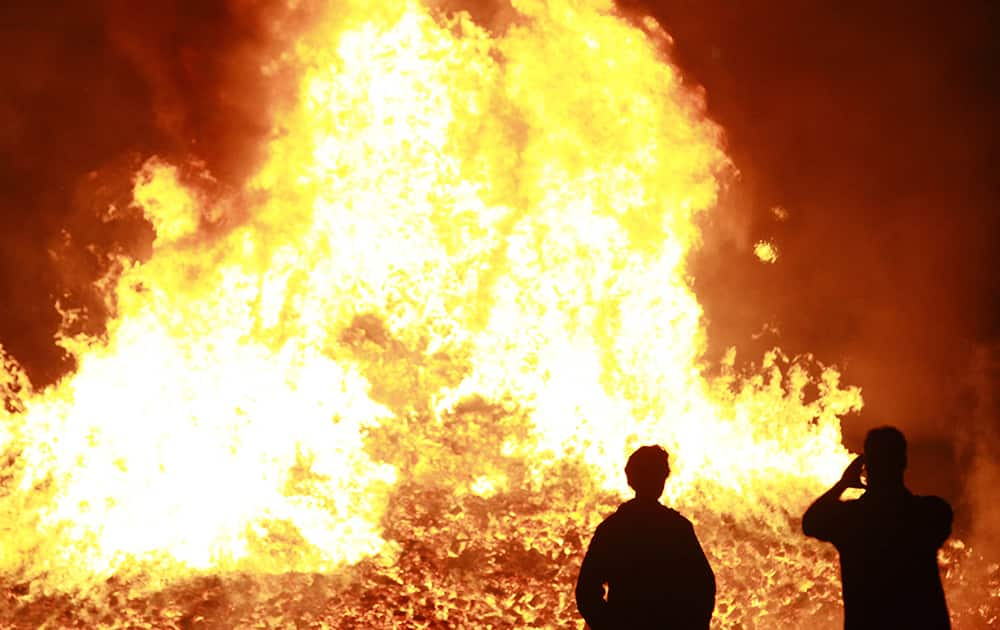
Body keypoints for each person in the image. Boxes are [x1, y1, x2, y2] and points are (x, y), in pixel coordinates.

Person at [802, 426, 953, 629]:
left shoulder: (852, 519)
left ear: (866, 466)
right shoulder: (929, 512)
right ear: (903, 462)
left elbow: (811, 521)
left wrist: (844, 483)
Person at [576, 445, 716, 629]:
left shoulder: (612, 529)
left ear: (630, 479)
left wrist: (608, 623)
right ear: (662, 480)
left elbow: (586, 591)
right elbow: (703, 586)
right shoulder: (677, 528)